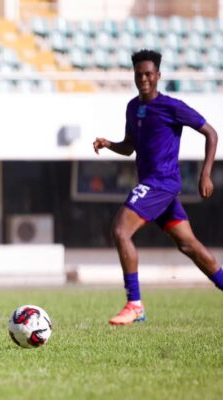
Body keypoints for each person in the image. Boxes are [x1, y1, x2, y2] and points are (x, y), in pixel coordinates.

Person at [93, 49, 223, 326]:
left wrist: (206, 174)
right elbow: (130, 148)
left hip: (160, 184)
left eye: (149, 74)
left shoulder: (172, 107)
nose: (144, 79)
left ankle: (135, 304)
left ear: (158, 75)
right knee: (189, 245)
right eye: (139, 74)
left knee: (120, 230)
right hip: (155, 187)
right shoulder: (133, 107)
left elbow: (211, 133)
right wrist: (109, 144)